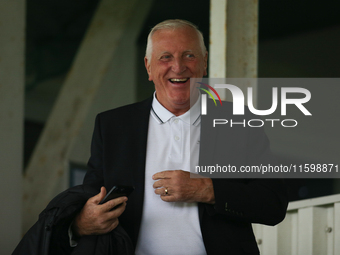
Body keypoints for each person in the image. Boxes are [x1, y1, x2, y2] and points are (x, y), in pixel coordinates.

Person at [70, 19, 288, 255]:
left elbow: (273, 203)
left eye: (189, 56)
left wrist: (205, 189)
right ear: (148, 67)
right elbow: (90, 202)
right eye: (165, 57)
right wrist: (80, 223)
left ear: (204, 63)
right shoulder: (112, 126)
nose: (178, 66)